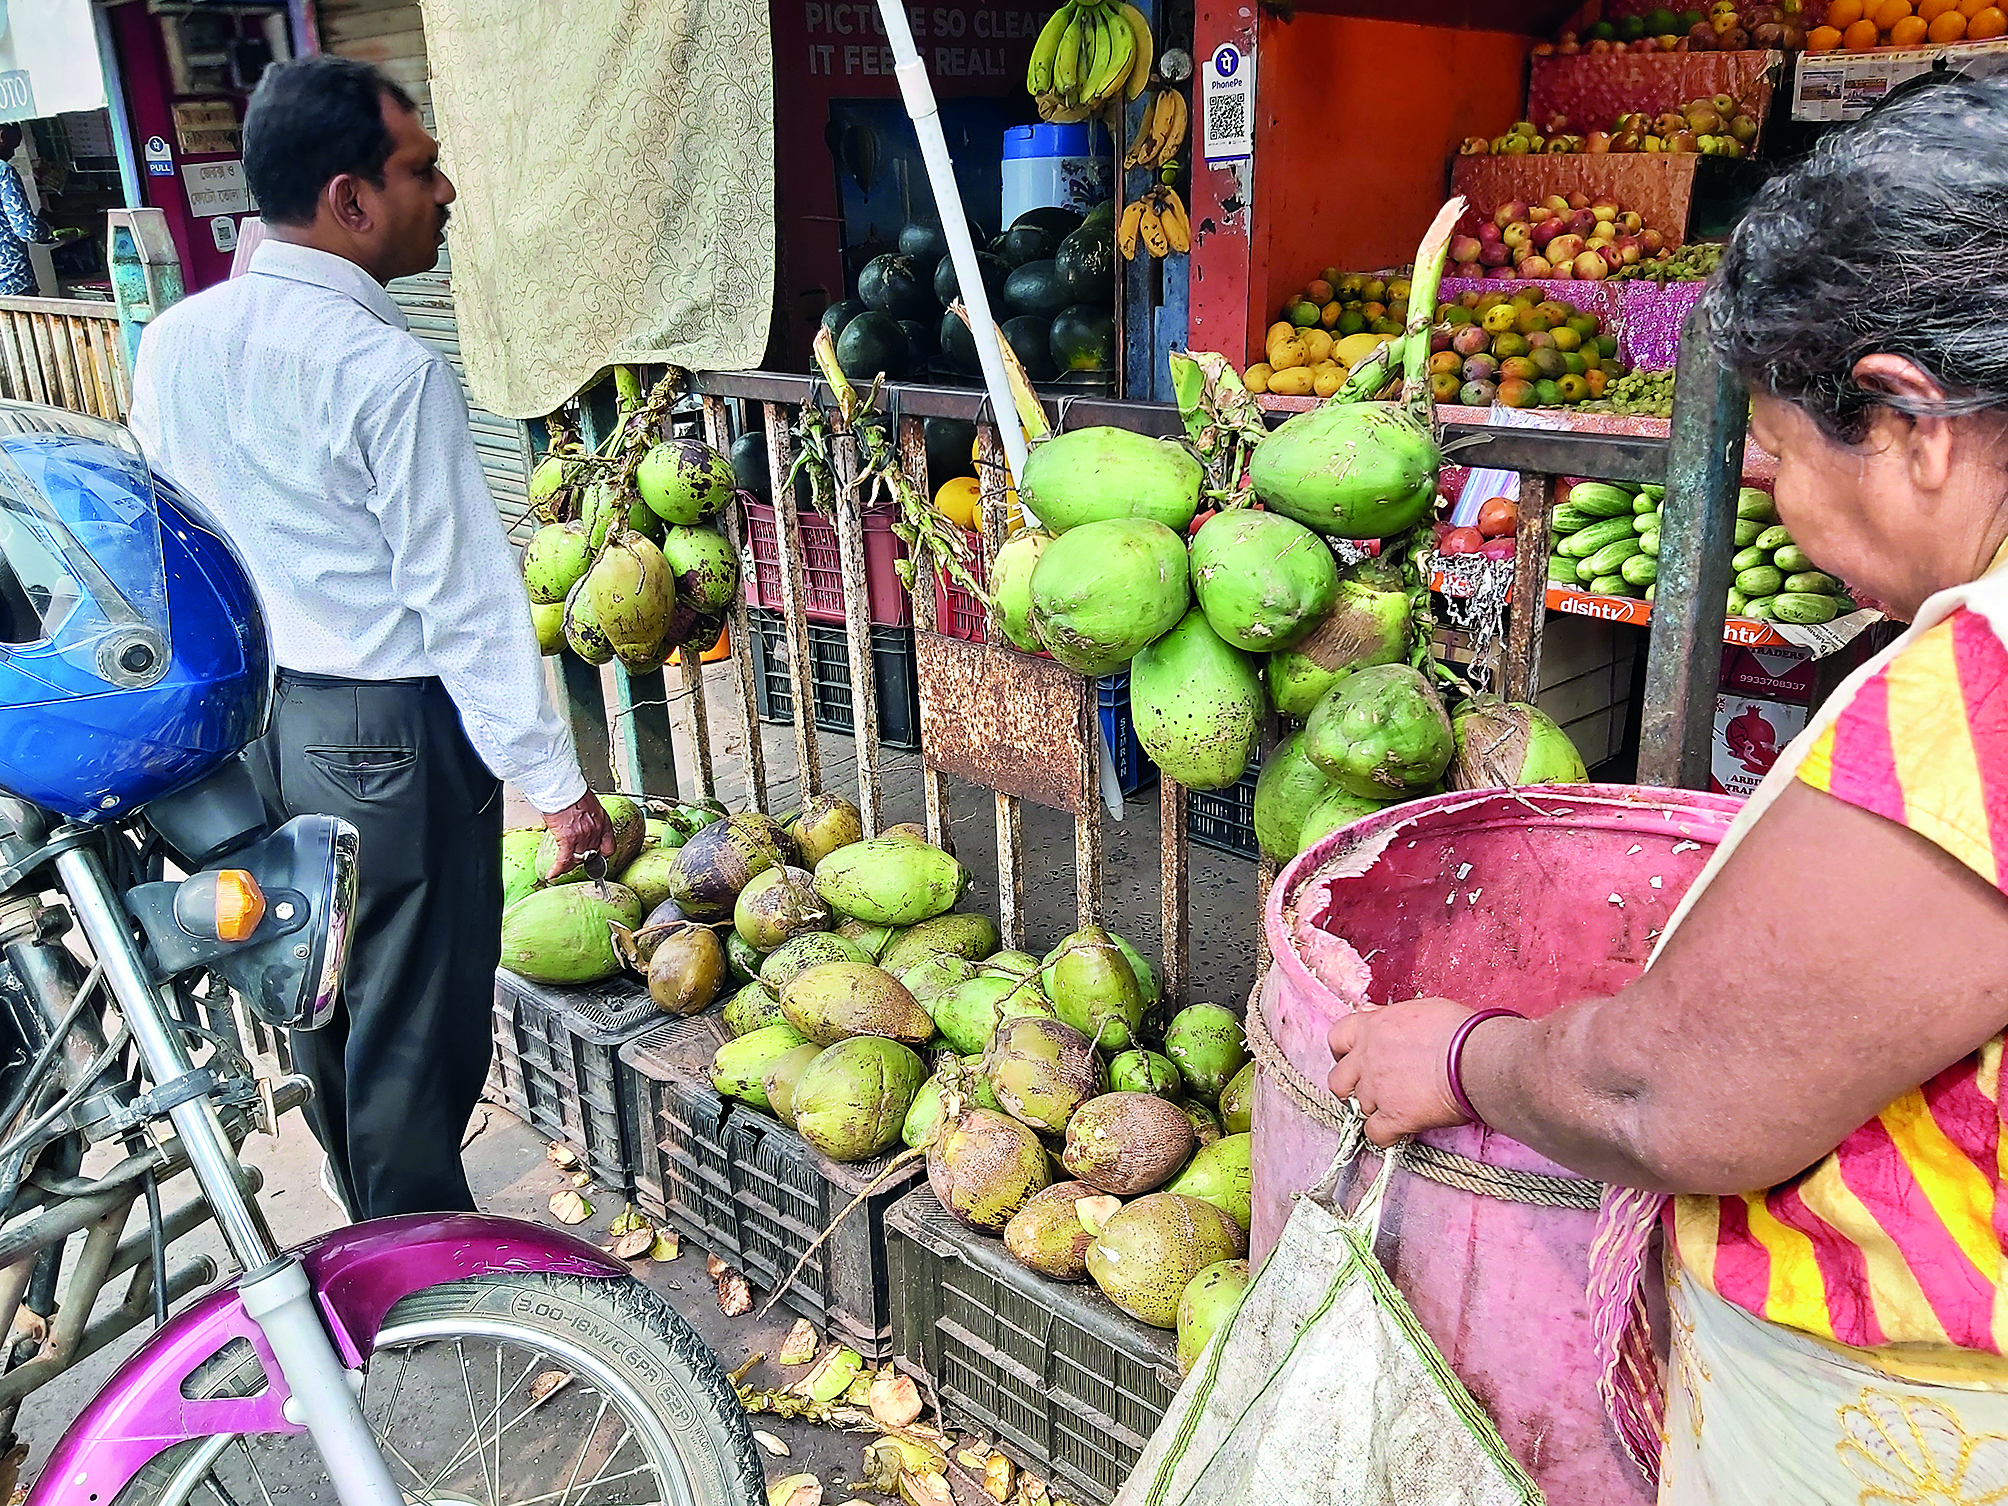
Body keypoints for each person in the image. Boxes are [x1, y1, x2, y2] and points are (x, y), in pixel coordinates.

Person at [1326, 76, 2008, 1504]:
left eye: (1770, 460)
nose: (1775, 506)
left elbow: (1673, 1090)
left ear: (1908, 420)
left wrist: (1462, 1058)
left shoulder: (1979, 697)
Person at [126, 55, 613, 1221]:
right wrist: (555, 785)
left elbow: (168, 536)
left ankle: (369, 1238)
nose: (444, 194)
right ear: (350, 200)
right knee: (410, 1013)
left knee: (320, 991)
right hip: (386, 733)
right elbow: (466, 604)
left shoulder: (175, 342)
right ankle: (414, 1270)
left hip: (252, 725)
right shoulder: (385, 371)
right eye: (422, 170)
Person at [0, 123, 49, 298]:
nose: (13, 154)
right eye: (13, 145)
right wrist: (46, 227)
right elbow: (27, 230)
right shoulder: (3, 171)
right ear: (2, 136)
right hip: (12, 282)